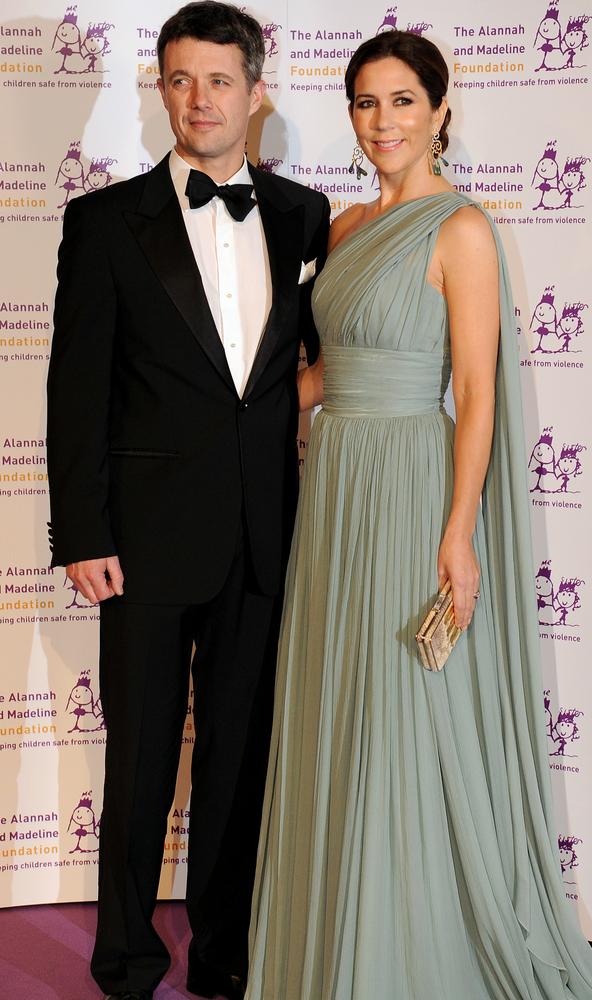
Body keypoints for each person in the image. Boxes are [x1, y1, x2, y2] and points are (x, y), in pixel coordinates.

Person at [245, 31, 592, 1000]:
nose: (380, 122)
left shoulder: (460, 229)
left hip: (411, 482)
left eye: (400, 102)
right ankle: (329, 926)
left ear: (437, 110)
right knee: (337, 701)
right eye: (363, 103)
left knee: (399, 704)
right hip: (333, 484)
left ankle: (396, 940)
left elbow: (473, 389)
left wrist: (457, 531)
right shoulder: (338, 230)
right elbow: (312, 378)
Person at [46, 3, 329, 998]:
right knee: (139, 767)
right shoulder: (103, 220)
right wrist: (80, 529)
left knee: (240, 767)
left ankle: (225, 956)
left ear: (256, 91)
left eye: (219, 80)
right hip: (143, 541)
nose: (199, 99)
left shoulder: (303, 215)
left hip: (265, 536)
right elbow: (74, 386)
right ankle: (125, 957)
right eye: (179, 79)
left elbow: (306, 368)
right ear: (159, 89)